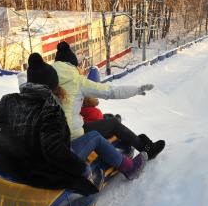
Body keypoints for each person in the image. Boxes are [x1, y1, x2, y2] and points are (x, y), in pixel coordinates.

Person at [0, 53, 148, 196]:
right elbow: (54, 151)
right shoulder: (50, 110)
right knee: (94, 137)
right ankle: (129, 168)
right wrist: (81, 169)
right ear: (51, 85)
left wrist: (7, 146)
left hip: (12, 163)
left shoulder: (8, 100)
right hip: (43, 168)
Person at [18, 41, 165, 160]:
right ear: (73, 64)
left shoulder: (44, 75)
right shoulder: (77, 80)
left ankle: (114, 125)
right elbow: (111, 92)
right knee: (112, 123)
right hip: (72, 136)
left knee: (99, 118)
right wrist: (136, 90)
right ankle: (145, 148)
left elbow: (23, 79)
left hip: (49, 137)